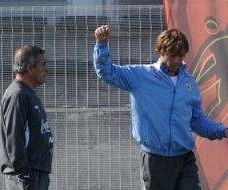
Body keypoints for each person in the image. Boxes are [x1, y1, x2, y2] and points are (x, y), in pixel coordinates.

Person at [93, 25, 228, 190]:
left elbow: (197, 120)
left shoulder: (189, 82)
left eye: (181, 55)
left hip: (184, 158)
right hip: (155, 159)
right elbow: (107, 73)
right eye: (173, 55)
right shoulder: (140, 76)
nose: (177, 60)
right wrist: (101, 45)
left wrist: (223, 131)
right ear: (161, 52)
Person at [0, 45, 53, 190]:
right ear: (30, 68)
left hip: (36, 174)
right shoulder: (17, 94)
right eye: (43, 64)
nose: (46, 69)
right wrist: (24, 176)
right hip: (25, 177)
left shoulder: (27, 93)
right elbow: (14, 137)